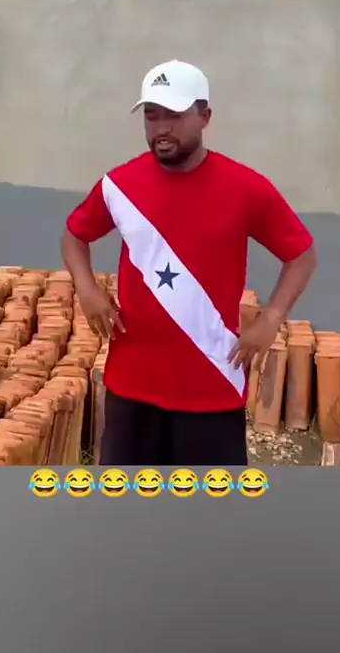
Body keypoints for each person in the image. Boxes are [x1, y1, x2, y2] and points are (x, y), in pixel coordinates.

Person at [61, 59, 317, 465]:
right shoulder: (119, 186)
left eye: (175, 115)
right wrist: (86, 288)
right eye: (152, 116)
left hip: (212, 388)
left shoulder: (246, 189)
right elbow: (75, 235)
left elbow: (302, 255)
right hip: (131, 387)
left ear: (205, 117)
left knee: (210, 505)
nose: (161, 128)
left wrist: (271, 319)